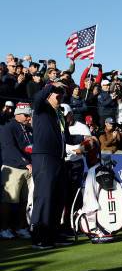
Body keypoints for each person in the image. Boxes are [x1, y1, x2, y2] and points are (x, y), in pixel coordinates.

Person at [30, 82, 70, 249]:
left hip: (58, 158)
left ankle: (53, 234)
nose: (59, 95)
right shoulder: (42, 108)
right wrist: (51, 85)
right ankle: (39, 237)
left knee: (58, 197)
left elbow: (64, 137)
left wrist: (84, 141)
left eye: (61, 93)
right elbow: (37, 98)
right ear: (48, 94)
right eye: (56, 93)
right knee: (44, 197)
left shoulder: (58, 114)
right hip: (45, 157)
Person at [0, 103, 33, 239]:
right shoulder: (8, 127)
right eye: (26, 115)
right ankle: (4, 228)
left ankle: (21, 227)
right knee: (8, 200)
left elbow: (31, 146)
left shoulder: (28, 128)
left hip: (27, 167)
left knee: (25, 201)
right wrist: (25, 163)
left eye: (29, 115)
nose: (28, 117)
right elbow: (9, 149)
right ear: (18, 115)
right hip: (13, 167)